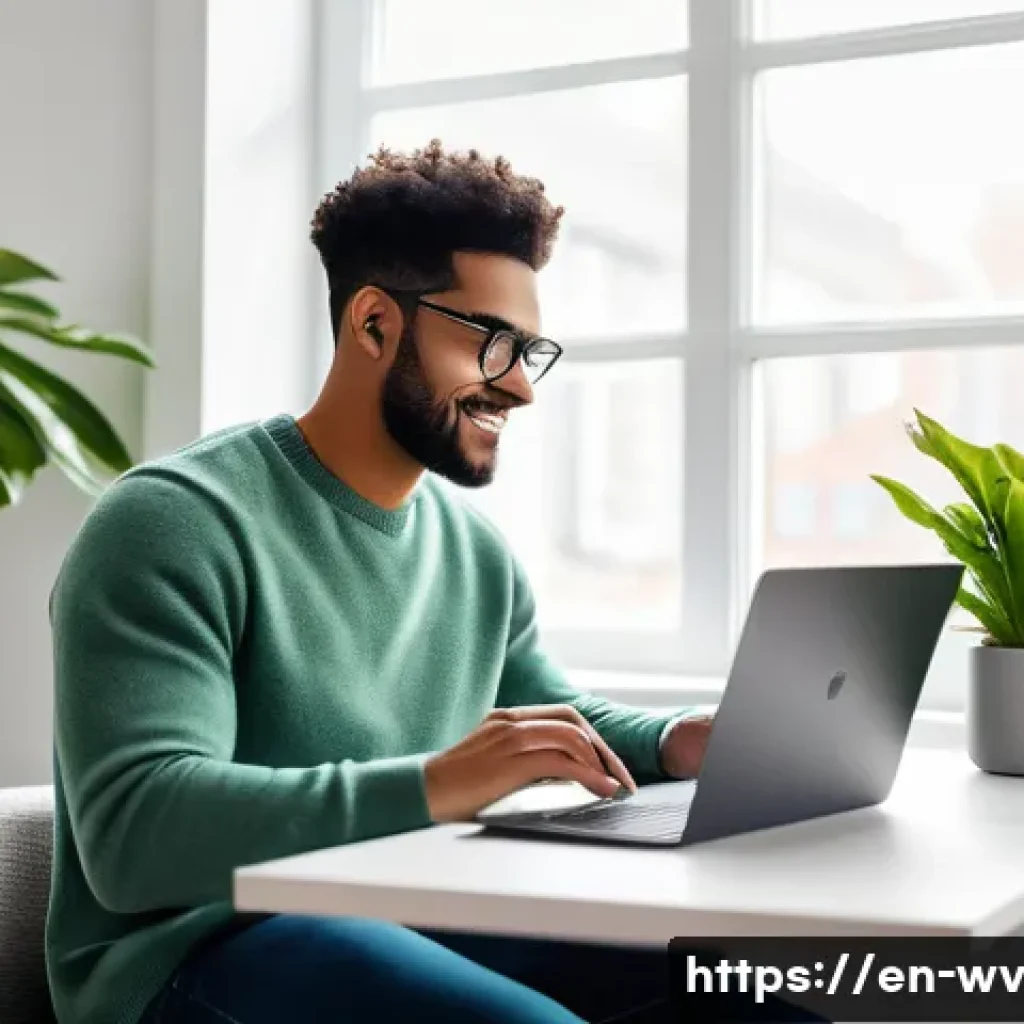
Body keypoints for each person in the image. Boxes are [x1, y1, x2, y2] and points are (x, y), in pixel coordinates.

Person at [47, 141, 716, 1024]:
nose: (518, 386)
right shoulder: (172, 522)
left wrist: (679, 740)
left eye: (530, 350)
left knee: (761, 982)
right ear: (373, 324)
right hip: (199, 949)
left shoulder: (475, 554)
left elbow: (552, 723)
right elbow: (136, 834)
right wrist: (437, 783)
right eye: (490, 343)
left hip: (416, 912)